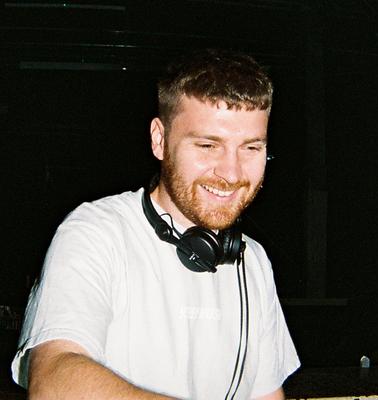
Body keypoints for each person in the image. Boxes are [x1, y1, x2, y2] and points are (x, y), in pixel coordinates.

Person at [12, 48, 300, 400]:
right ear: (160, 140)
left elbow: (267, 395)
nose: (231, 172)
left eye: (251, 148)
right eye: (208, 145)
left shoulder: (251, 260)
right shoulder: (95, 232)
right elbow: (54, 382)